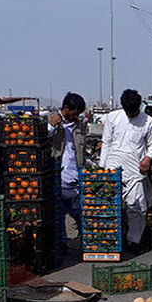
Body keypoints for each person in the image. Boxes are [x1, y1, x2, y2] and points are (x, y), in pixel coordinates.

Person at [100, 89, 152, 250]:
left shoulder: (148, 121)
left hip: (135, 171)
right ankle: (111, 240)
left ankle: (134, 240)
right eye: (128, 112)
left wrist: (148, 157)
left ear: (139, 107)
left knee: (137, 207)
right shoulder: (113, 117)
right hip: (113, 169)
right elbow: (106, 143)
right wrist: (102, 169)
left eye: (134, 112)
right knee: (110, 206)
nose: (131, 115)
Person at [48, 92, 88, 233]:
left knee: (77, 214)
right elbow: (40, 142)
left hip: (75, 178)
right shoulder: (50, 120)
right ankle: (62, 245)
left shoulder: (79, 126)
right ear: (66, 108)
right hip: (57, 176)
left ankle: (78, 243)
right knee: (58, 216)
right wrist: (51, 127)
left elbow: (80, 151)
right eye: (74, 113)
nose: (76, 116)